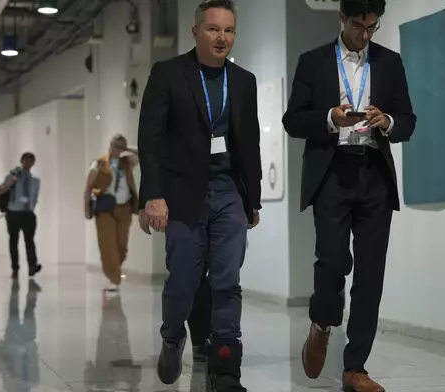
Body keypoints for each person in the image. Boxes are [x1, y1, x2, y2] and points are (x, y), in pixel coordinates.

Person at [282, 0, 416, 391]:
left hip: (375, 173)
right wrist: (329, 118)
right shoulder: (313, 61)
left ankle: (355, 366)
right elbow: (293, 119)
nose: (365, 34)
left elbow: (408, 120)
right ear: (342, 18)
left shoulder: (389, 63)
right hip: (332, 172)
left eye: (373, 27)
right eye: (359, 25)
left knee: (371, 273)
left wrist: (386, 121)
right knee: (333, 260)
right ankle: (322, 321)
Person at [137, 0, 262, 389]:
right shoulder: (169, 74)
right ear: (196, 32)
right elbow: (150, 139)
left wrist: (252, 198)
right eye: (213, 29)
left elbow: (249, 143)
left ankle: (225, 367)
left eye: (228, 30)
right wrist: (152, 196)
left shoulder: (243, 81)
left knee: (227, 279)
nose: (221, 37)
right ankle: (173, 336)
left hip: (229, 193)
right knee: (184, 280)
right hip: (182, 195)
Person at [139, 210, 212, 362]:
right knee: (185, 274)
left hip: (219, 204)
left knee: (203, 277)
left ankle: (201, 341)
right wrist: (145, 203)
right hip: (183, 207)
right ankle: (174, 336)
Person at [84, 134, 139, 292]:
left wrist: (127, 148)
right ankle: (114, 279)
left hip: (124, 208)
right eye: (115, 146)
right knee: (108, 245)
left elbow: (144, 151)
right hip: (105, 208)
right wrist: (86, 207)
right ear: (110, 145)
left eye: (121, 147)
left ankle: (114, 272)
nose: (117, 149)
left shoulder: (127, 162)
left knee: (122, 246)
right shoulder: (99, 163)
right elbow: (88, 187)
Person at [0, 152, 42, 280]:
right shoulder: (13, 176)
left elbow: (35, 197)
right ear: (21, 161)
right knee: (13, 241)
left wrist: (32, 207)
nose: (27, 163)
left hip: (28, 214)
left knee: (30, 241)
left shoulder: (35, 181)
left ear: (33, 163)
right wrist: (13, 177)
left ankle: (32, 266)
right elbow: (4, 189)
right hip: (13, 213)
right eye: (25, 160)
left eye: (30, 161)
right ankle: (15, 268)